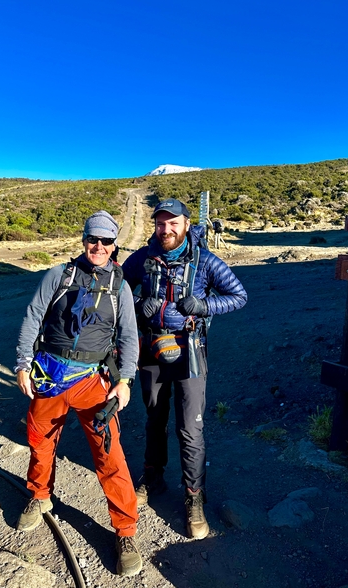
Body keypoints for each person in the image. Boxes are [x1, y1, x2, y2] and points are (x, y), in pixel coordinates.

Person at [14, 210, 142, 577]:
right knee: (40, 442)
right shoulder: (59, 275)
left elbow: (129, 337)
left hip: (92, 380)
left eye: (106, 241)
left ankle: (125, 531)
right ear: (83, 239)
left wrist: (125, 380)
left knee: (109, 454)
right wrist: (23, 364)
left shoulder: (120, 286)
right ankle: (40, 496)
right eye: (93, 239)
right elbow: (33, 317)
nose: (98, 246)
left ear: (115, 245)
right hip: (49, 376)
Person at [122, 198, 247, 540]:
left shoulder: (205, 261)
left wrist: (204, 305)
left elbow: (239, 296)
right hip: (151, 349)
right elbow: (118, 286)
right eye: (161, 223)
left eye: (173, 223)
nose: (166, 229)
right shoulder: (143, 259)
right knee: (154, 418)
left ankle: (194, 498)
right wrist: (136, 303)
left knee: (190, 428)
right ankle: (153, 476)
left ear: (187, 225)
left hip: (190, 351)